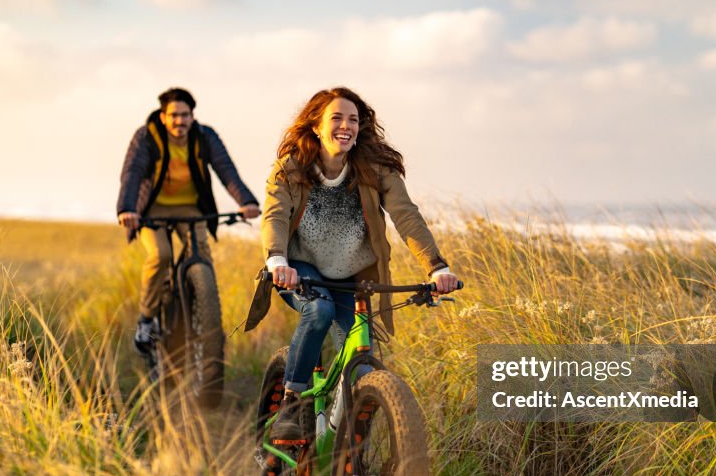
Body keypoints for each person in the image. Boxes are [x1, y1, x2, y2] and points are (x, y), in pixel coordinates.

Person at [260, 87, 459, 441]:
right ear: (317, 126)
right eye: (335, 118)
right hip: (301, 273)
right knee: (319, 312)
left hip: (353, 277)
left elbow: (406, 216)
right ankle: (291, 404)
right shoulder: (291, 167)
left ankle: (349, 456)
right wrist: (277, 260)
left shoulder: (374, 168)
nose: (345, 126)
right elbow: (275, 214)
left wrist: (437, 267)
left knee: (361, 364)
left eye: (353, 119)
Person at [117, 87, 260, 354]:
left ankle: (203, 314)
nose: (179, 121)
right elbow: (133, 172)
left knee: (201, 254)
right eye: (173, 115)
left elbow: (226, 170)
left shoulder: (205, 136)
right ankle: (146, 321)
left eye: (185, 115)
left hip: (191, 207)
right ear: (163, 116)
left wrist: (246, 201)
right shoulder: (147, 137)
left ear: (193, 116)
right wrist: (127, 208)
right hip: (152, 209)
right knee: (160, 255)